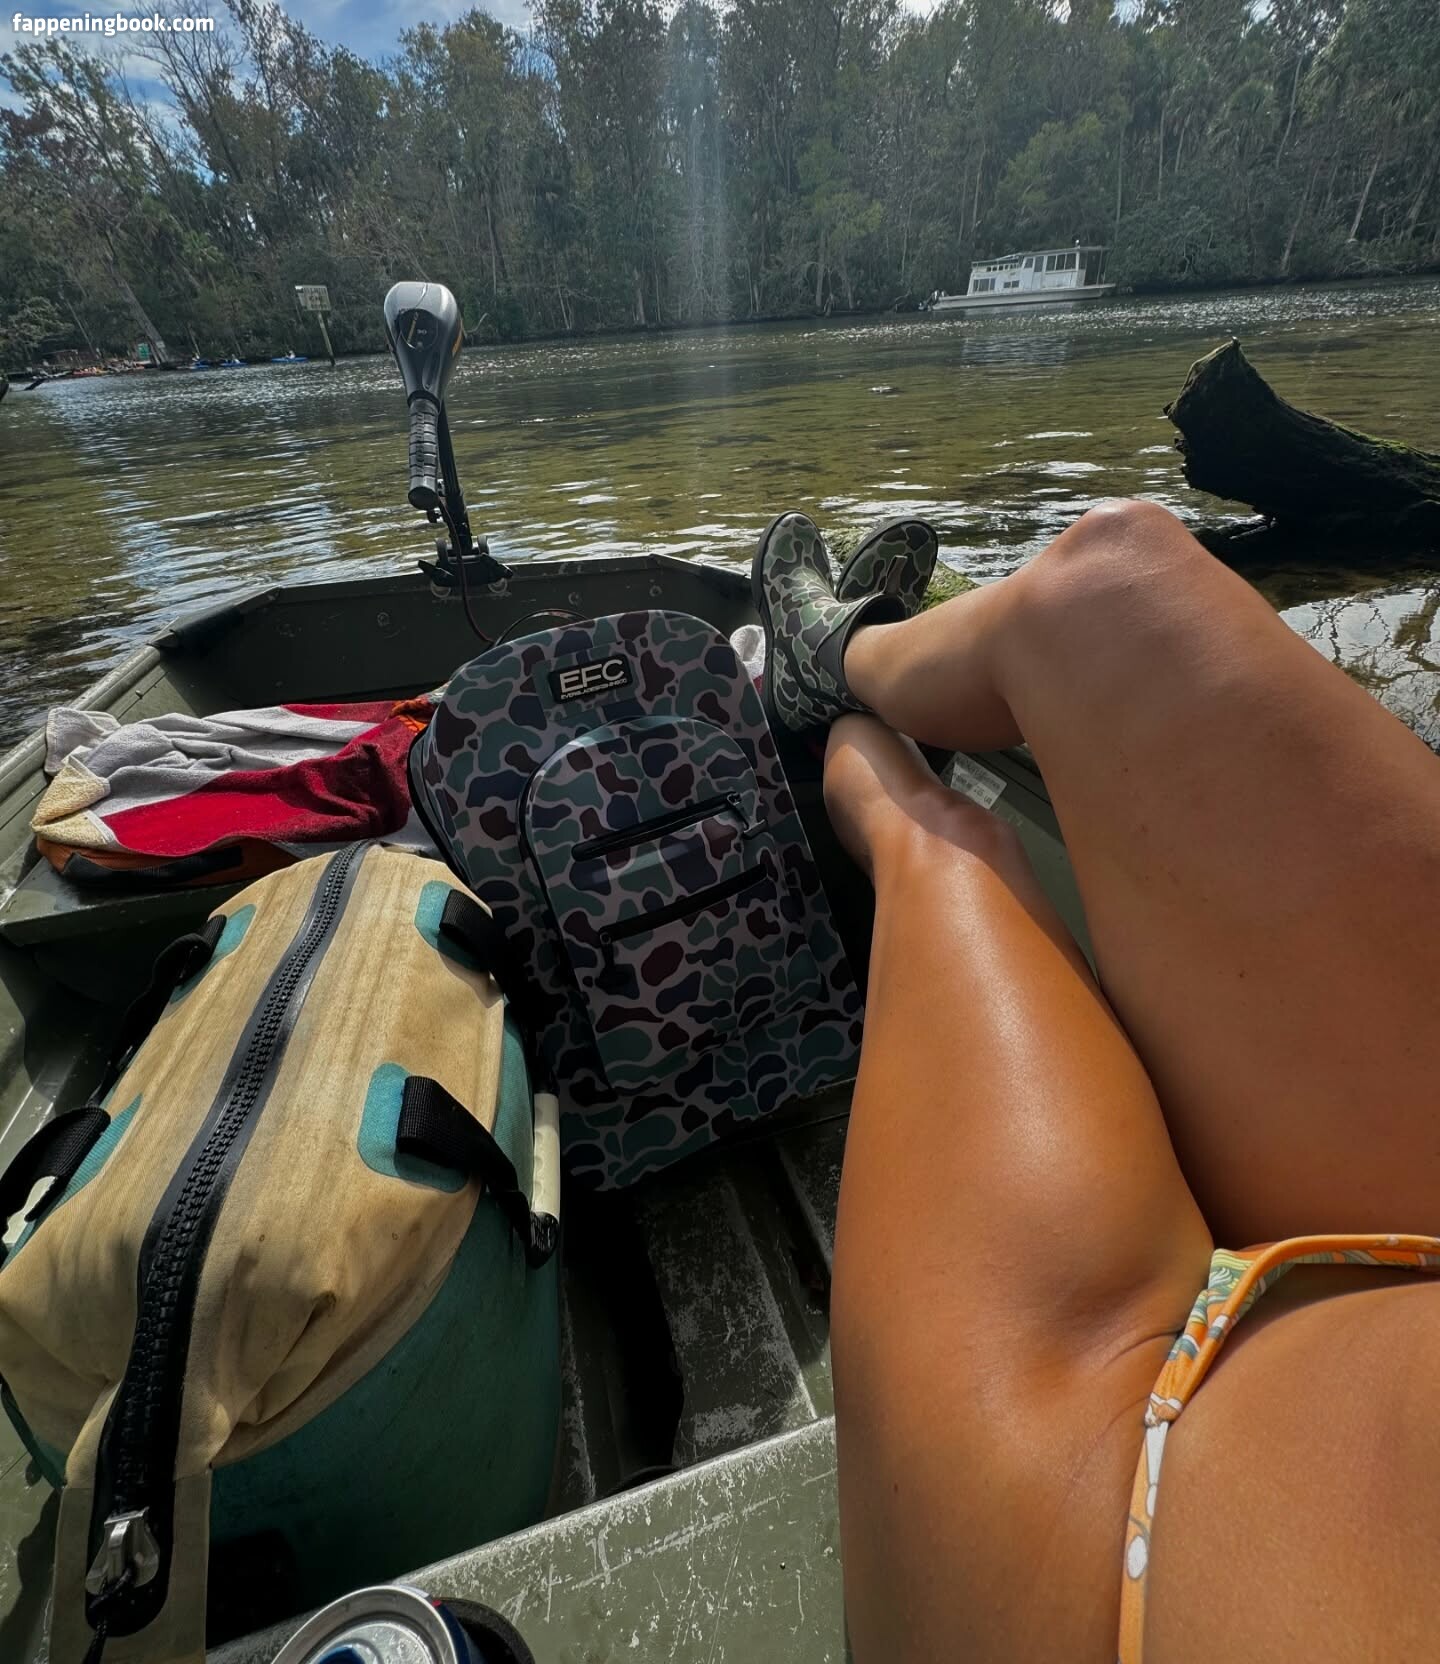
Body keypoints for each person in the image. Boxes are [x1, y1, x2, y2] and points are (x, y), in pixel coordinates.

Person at [750, 503, 1440, 1664]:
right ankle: (841, 652)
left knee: (945, 841)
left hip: (1155, 1517)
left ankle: (836, 733)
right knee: (1112, 582)